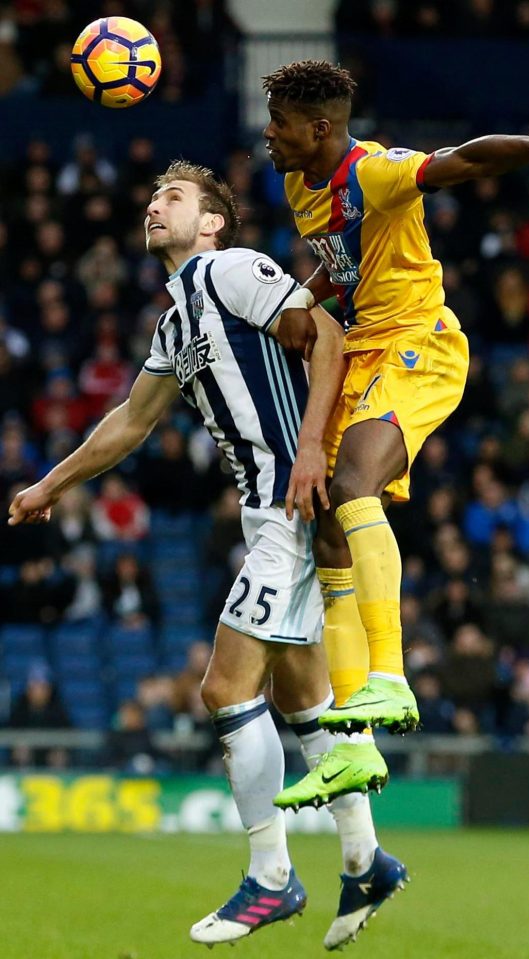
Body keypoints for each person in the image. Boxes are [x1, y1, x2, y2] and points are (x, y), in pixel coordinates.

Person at [7, 160, 404, 950]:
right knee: (300, 695)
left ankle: (270, 875)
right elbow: (129, 421)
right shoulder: (177, 318)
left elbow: (322, 336)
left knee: (224, 687)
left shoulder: (228, 270)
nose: (156, 206)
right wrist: (48, 483)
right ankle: (364, 858)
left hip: (289, 507)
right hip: (267, 512)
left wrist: (308, 454)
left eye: (176, 198)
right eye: (152, 197)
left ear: (215, 222)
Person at [260, 58, 529, 803]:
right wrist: (297, 300)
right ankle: (353, 747)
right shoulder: (299, 184)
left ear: (320, 127)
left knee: (353, 485)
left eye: (279, 123)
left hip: (418, 343)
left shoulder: (374, 171)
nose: (267, 135)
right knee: (326, 527)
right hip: (364, 349)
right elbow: (344, 266)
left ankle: (390, 677)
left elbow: (463, 159)